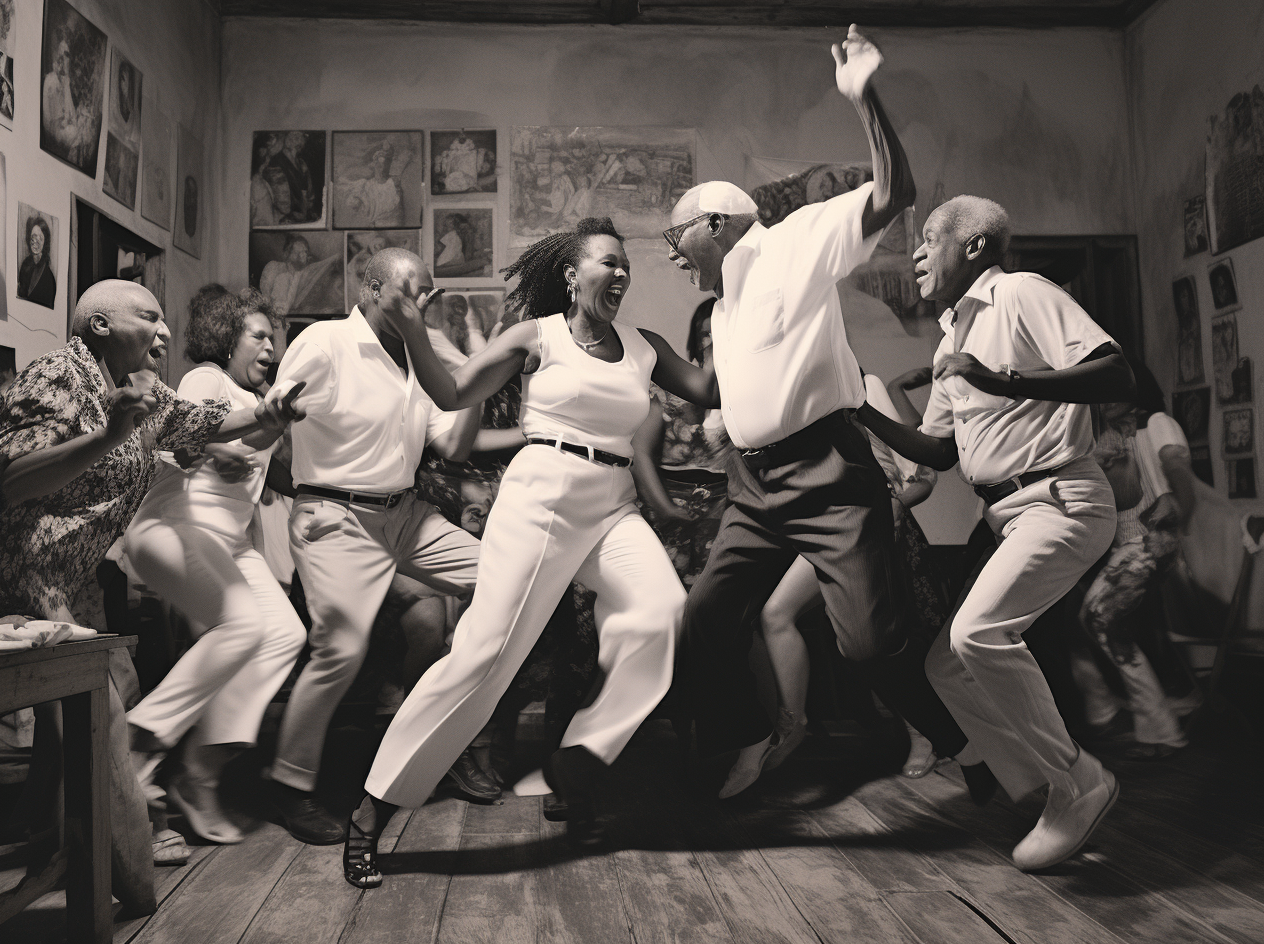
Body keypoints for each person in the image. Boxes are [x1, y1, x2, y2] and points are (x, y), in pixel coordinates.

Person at [345, 216, 718, 889]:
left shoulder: (643, 345)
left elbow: (709, 389)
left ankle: (581, 754)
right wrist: (409, 329)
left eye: (626, 264)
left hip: (611, 500)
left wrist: (736, 286)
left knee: (663, 609)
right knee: (481, 661)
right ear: (572, 277)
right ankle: (373, 807)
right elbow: (453, 395)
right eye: (607, 262)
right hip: (541, 495)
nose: (621, 273)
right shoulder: (536, 336)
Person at [663, 25, 974, 800]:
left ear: (717, 224)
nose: (671, 255)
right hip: (753, 489)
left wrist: (864, 95)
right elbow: (731, 396)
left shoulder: (789, 244)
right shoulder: (725, 307)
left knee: (868, 648)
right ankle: (754, 734)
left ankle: (957, 742)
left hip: (829, 478)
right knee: (701, 618)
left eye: (677, 237)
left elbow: (892, 194)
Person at [0, 279, 302, 913]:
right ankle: (122, 884)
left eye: (167, 318)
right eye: (150, 317)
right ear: (101, 325)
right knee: (101, 722)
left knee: (77, 727)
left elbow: (212, 422)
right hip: (25, 572)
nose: (166, 331)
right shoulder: (53, 379)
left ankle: (51, 848)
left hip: (72, 577)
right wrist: (107, 437)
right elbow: (11, 480)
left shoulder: (143, 391)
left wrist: (267, 416)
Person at [856, 194, 1135, 872]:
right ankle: (1041, 785)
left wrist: (1002, 379)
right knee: (945, 665)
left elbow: (1116, 370)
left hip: (1059, 498)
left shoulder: (1020, 293)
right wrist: (859, 416)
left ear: (974, 247)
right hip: (1003, 517)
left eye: (929, 239)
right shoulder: (953, 337)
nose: (916, 253)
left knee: (975, 634)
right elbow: (936, 452)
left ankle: (1078, 782)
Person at [263, 248, 485, 846]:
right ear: (370, 290)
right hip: (334, 515)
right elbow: (272, 419)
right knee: (341, 643)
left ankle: (438, 735)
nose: (424, 303)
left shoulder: (420, 359)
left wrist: (471, 375)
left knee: (503, 581)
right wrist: (275, 414)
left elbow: (456, 446)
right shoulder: (327, 341)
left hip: (404, 514)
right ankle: (289, 786)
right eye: (413, 289)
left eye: (430, 293)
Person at [123, 289, 307, 845]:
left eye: (274, 339)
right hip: (176, 525)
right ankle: (142, 737)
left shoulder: (257, 398)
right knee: (245, 624)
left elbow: (279, 472)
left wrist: (279, 423)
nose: (270, 347)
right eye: (258, 336)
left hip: (227, 544)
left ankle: (201, 769)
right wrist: (208, 447)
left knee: (283, 634)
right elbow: (170, 435)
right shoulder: (208, 379)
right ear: (226, 339)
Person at [740, 374, 950, 786]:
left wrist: (894, 506)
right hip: (829, 531)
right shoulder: (790, 398)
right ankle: (791, 723)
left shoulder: (865, 386)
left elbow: (924, 478)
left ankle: (926, 734)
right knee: (776, 613)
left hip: (881, 531)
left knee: (891, 639)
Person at [1074, 362, 1195, 759]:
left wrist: (1176, 504)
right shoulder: (1109, 435)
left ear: (1135, 391)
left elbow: (1178, 472)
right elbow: (1123, 499)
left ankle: (1159, 723)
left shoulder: (1156, 422)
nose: (1105, 400)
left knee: (1098, 619)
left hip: (1151, 543)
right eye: (1101, 393)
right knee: (1097, 623)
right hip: (1126, 545)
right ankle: (1154, 720)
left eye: (1115, 390)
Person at [259, 234, 340, 317]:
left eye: (305, 251)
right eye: (298, 252)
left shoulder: (305, 274)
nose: (303, 255)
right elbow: (278, 308)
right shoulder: (281, 275)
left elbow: (321, 265)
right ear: (288, 254)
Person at [18, 215, 56, 308]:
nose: (36, 242)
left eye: (40, 238)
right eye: (33, 237)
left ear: (45, 242)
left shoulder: (48, 277)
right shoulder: (24, 266)